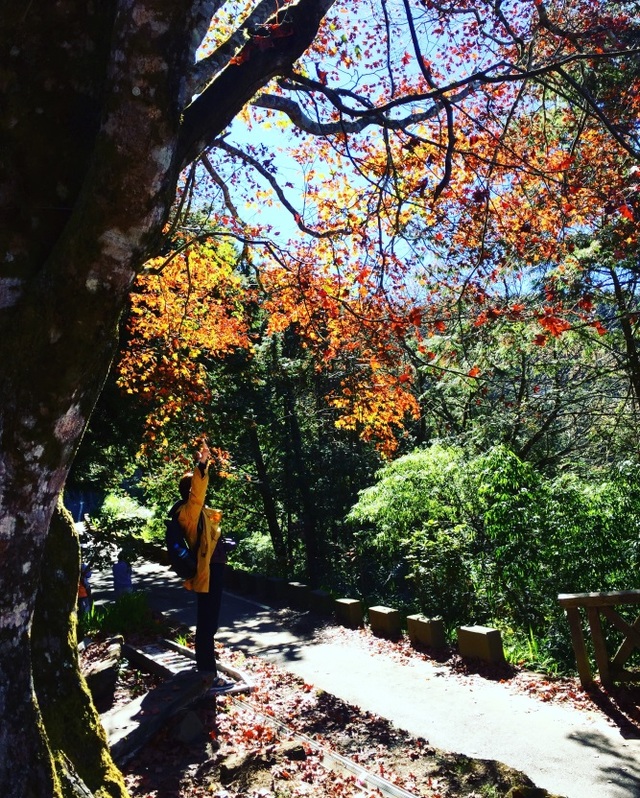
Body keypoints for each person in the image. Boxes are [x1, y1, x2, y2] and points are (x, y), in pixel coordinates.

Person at [177, 440, 233, 691]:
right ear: (191, 492)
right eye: (197, 490)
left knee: (208, 622)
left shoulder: (194, 512)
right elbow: (198, 492)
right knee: (208, 624)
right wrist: (202, 464)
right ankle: (207, 675)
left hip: (213, 569)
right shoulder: (189, 509)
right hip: (208, 571)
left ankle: (204, 669)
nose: (202, 492)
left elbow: (208, 537)